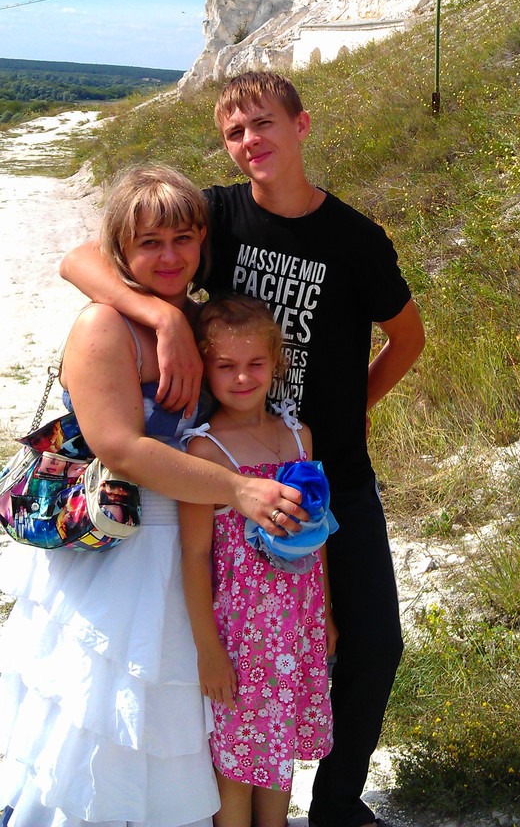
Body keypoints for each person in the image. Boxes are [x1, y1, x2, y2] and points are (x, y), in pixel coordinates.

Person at [61, 72, 426, 827]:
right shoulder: (218, 215)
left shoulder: (356, 240)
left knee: (373, 642)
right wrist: (163, 319)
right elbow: (84, 259)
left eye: (264, 124)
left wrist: (346, 414)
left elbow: (408, 338)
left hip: (324, 472)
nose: (251, 141)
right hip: (225, 476)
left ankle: (336, 805)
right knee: (227, 650)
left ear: (301, 126)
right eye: (235, 132)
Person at [0, 164, 308, 827]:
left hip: (198, 552)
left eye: (182, 239)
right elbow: (121, 447)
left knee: (188, 724)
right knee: (112, 720)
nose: (169, 256)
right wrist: (237, 489)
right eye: (149, 243)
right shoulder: (104, 327)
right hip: (122, 554)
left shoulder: (200, 320)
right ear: (122, 249)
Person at [179, 293, 337, 827]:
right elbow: (195, 555)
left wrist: (325, 614)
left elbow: (315, 537)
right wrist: (208, 650)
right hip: (240, 634)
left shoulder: (298, 437)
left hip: (296, 624)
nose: (242, 377)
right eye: (226, 366)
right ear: (206, 369)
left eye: (255, 363)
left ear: (276, 363)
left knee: (280, 746)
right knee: (238, 756)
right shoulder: (205, 453)